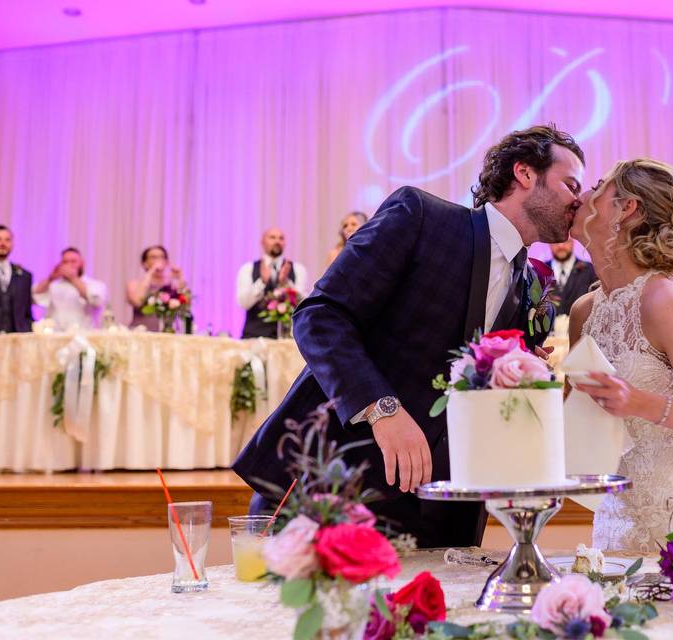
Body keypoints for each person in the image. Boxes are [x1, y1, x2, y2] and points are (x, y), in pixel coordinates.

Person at [234, 125, 585, 547]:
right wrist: (382, 409)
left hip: (440, 513)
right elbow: (320, 317)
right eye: (571, 184)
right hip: (337, 478)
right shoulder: (421, 216)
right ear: (526, 174)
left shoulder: (534, 281)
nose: (577, 200)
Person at [567, 159, 673, 554]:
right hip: (614, 525)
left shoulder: (661, 298)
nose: (580, 195)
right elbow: (575, 424)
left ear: (627, 208)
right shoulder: (582, 311)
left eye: (597, 186)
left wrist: (637, 402)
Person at [236, 227, 309, 339]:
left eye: (281, 238)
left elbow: (304, 304)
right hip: (254, 337)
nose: (277, 241)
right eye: (272, 237)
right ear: (262, 242)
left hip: (287, 339)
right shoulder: (248, 268)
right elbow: (243, 303)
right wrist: (262, 282)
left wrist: (286, 283)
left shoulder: (298, 269)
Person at [32, 247, 107, 331]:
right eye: (65, 262)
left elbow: (95, 300)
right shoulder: (53, 285)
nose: (69, 265)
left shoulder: (95, 285)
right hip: (56, 337)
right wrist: (51, 278)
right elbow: (33, 296)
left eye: (73, 261)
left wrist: (73, 278)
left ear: (82, 263)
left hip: (83, 337)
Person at [126, 245, 186, 331]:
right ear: (145, 263)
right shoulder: (134, 284)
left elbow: (183, 305)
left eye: (162, 257)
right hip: (140, 332)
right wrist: (151, 271)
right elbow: (137, 301)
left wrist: (180, 277)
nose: (159, 260)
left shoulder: (170, 286)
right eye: (154, 257)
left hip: (164, 334)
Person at [0, 225, 33, 333]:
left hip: (16, 339)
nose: (3, 243)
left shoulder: (25, 276)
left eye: (7, 240)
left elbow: (27, 312)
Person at [548, 240, 598, 316]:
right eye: (555, 241)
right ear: (549, 244)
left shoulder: (590, 270)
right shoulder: (537, 271)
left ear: (573, 242)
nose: (561, 246)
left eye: (565, 241)